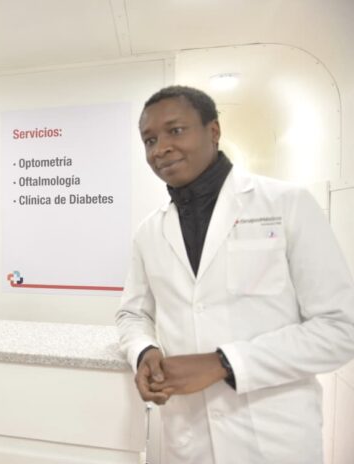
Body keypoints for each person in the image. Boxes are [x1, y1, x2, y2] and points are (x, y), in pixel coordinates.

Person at [115, 85, 354, 463]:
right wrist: (144, 349)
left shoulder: (286, 204)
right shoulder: (150, 231)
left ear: (213, 131)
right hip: (189, 438)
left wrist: (224, 363)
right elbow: (132, 313)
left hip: (273, 438)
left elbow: (339, 329)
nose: (160, 149)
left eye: (175, 131)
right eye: (150, 140)